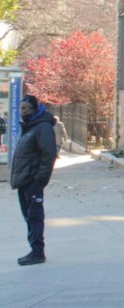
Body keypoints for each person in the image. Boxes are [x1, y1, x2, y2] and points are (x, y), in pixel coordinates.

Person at [9, 94, 58, 266]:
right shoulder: (30, 127)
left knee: (34, 216)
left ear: (34, 109)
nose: (22, 112)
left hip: (32, 181)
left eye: (26, 109)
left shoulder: (42, 127)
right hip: (24, 181)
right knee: (29, 216)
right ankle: (34, 249)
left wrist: (39, 180)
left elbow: (49, 154)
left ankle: (38, 252)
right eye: (21, 108)